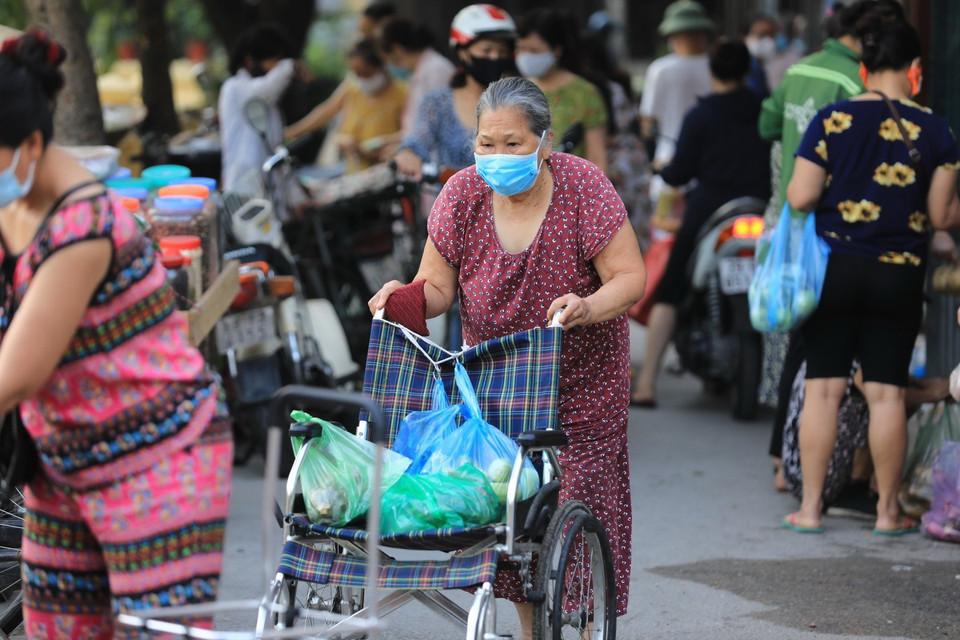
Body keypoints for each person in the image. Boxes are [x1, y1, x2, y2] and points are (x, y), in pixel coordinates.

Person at [370, 77, 645, 638]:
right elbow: (437, 288)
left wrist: (588, 306)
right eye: (486, 143)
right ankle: (533, 632)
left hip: (582, 384)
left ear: (545, 141)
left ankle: (584, 625)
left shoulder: (583, 188)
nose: (497, 155)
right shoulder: (462, 195)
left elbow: (629, 276)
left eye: (513, 143)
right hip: (498, 386)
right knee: (512, 513)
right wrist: (402, 298)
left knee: (575, 500)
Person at [0, 29, 232, 637]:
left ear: (30, 144)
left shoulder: (84, 226)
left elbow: (14, 376)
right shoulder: (13, 200)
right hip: (62, 463)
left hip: (157, 461)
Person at [782, 15, 960, 535]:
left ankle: (810, 509)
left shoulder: (831, 120)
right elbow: (942, 214)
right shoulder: (936, 130)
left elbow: (800, 196)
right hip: (898, 275)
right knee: (886, 394)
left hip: (834, 271)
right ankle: (887, 513)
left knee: (824, 390)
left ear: (863, 67)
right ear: (915, 69)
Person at [759, 0, 908, 489]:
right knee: (858, 373)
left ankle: (785, 462)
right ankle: (867, 488)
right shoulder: (855, 85)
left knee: (801, 347)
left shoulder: (799, 69)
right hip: (840, 236)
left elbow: (767, 126)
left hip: (793, 225)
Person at [632, 41, 771, 407]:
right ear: (748, 71)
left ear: (712, 72)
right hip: (761, 209)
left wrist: (664, 169)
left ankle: (646, 384)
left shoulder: (701, 115)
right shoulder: (765, 110)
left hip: (709, 210)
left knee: (671, 292)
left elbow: (680, 172)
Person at [394, 3, 517, 180]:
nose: (495, 57)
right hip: (451, 196)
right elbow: (418, 140)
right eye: (487, 50)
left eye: (502, 51)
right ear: (462, 52)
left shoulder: (518, 101)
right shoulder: (438, 103)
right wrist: (408, 153)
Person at [286, 38, 407, 174]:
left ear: (380, 67)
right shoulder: (352, 89)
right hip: (355, 172)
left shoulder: (403, 94)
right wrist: (291, 133)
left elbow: (412, 132)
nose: (361, 78)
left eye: (366, 72)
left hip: (388, 172)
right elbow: (326, 112)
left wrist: (381, 142)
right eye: (356, 73)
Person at [515, 8, 608, 172]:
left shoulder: (585, 93)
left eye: (534, 50)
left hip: (571, 185)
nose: (525, 56)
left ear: (557, 50)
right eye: (520, 48)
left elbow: (597, 158)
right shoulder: (514, 91)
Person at [218, 23, 295, 190]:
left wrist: (295, 194)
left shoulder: (270, 104)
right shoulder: (235, 88)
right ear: (250, 61)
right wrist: (290, 65)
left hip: (269, 189)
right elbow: (268, 88)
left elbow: (275, 149)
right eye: (274, 62)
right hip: (244, 188)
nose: (277, 69)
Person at [638, 0, 713, 169]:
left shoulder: (660, 69)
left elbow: (647, 123)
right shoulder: (716, 67)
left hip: (669, 159)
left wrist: (652, 158)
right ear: (703, 33)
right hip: (712, 161)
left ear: (672, 36)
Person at [378, 17, 456, 139]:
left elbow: (437, 125)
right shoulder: (418, 73)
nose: (391, 66)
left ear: (397, 50)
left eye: (389, 60)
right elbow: (416, 126)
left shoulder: (436, 70)